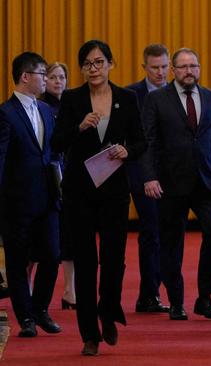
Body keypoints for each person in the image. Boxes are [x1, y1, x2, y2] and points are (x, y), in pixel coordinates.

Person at [52, 40, 146, 356]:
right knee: (86, 261)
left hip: (115, 192)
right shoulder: (71, 99)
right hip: (79, 193)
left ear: (110, 63)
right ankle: (89, 334)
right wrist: (79, 127)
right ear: (81, 68)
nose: (94, 68)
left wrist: (127, 150)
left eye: (99, 62)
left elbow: (141, 141)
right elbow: (57, 142)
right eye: (88, 63)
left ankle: (108, 311)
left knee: (113, 259)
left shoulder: (127, 98)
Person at [139, 48, 211, 322]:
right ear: (174, 70)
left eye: (194, 66)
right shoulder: (157, 99)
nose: (189, 71)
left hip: (205, 181)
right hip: (169, 182)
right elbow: (148, 141)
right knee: (171, 243)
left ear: (199, 69)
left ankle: (205, 297)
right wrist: (149, 177)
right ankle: (176, 300)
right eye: (184, 66)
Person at [0, 51, 62, 338]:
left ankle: (40, 309)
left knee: (52, 255)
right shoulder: (5, 113)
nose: (47, 79)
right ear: (26, 77)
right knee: (16, 260)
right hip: (16, 201)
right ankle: (25, 317)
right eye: (42, 74)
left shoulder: (48, 110)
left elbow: (54, 152)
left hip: (48, 198)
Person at [126, 44, 170, 314]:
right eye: (155, 67)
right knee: (151, 232)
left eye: (165, 66)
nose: (161, 72)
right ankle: (148, 294)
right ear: (144, 67)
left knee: (167, 234)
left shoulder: (176, 93)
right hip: (142, 175)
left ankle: (161, 289)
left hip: (173, 175)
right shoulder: (132, 95)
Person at [39, 61, 76, 310]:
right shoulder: (40, 108)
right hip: (47, 175)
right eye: (53, 77)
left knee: (71, 237)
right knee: (41, 240)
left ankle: (70, 291)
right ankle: (30, 289)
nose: (58, 81)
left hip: (71, 175)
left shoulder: (73, 106)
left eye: (62, 77)